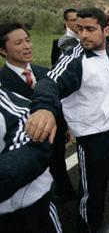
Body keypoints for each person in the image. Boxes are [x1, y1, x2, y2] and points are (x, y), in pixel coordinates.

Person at [25, 8, 109, 233]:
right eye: (79, 29)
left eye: (90, 29)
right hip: (93, 136)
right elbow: (51, 81)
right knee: (93, 191)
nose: (83, 35)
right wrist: (44, 108)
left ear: (106, 30)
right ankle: (87, 227)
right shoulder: (75, 57)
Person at [0, 22, 76, 202]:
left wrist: (63, 128)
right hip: (25, 149)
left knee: (59, 168)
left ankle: (65, 193)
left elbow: (58, 103)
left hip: (54, 138)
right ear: (3, 50)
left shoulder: (45, 73)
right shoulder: (2, 83)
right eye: (18, 43)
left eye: (28, 40)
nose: (27, 46)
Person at [0, 85, 62, 233]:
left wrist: (46, 110)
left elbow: (31, 129)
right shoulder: (6, 76)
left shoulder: (9, 103)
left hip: (31, 207)